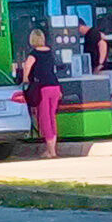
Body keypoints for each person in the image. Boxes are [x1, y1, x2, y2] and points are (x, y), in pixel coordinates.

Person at [16, 31, 64, 159]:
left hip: (42, 88)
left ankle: (51, 151)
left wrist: (26, 79)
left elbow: (27, 67)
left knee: (44, 118)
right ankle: (53, 148)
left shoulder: (34, 54)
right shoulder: (49, 52)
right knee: (52, 117)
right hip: (55, 86)